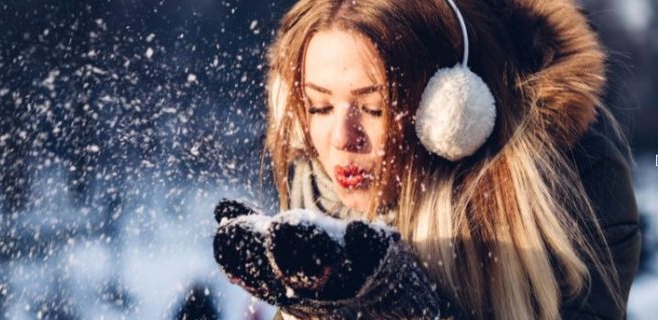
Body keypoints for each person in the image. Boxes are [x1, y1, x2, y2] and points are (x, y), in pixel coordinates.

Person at [212, 0, 641, 319]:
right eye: (319, 107)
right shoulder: (312, 187)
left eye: (374, 108)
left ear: (451, 111)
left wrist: (406, 309)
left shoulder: (573, 180)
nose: (343, 139)